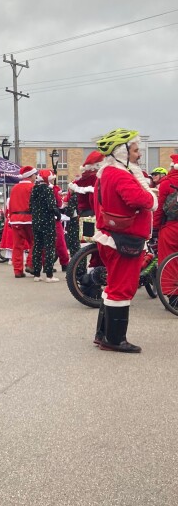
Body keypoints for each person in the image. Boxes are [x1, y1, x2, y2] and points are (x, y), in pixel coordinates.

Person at [92, 128, 156, 353]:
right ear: (122, 152)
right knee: (122, 288)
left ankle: (104, 334)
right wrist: (151, 196)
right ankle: (114, 339)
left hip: (113, 237)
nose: (139, 154)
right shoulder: (119, 174)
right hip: (123, 240)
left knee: (113, 286)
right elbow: (140, 200)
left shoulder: (106, 173)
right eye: (136, 150)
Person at [29, 169, 61, 282]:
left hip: (36, 221)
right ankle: (49, 275)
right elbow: (52, 206)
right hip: (47, 222)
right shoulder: (48, 190)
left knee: (37, 247)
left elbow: (30, 206)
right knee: (49, 248)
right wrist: (58, 214)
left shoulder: (34, 189)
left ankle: (37, 274)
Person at [8, 166, 37, 277]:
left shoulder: (14, 188)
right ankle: (30, 263)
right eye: (35, 174)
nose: (36, 176)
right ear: (30, 175)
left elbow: (10, 205)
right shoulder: (33, 187)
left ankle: (17, 271)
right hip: (29, 219)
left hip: (15, 220)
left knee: (17, 246)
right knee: (35, 242)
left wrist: (10, 219)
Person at [153, 155, 178, 266]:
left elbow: (159, 209)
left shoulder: (166, 183)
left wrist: (155, 227)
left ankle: (168, 283)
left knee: (168, 264)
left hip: (171, 228)